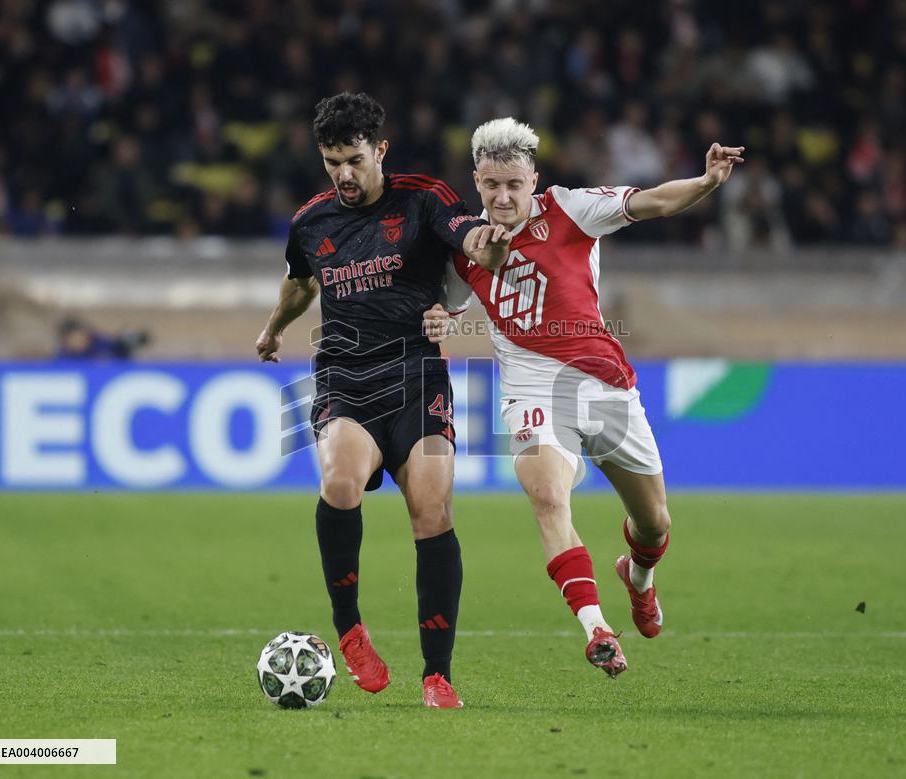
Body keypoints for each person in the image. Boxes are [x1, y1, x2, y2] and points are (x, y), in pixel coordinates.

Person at [434, 118, 744, 677]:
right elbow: (447, 306)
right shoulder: (465, 246)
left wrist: (705, 182)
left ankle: (639, 576)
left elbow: (653, 203)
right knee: (548, 497)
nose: (503, 197)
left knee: (655, 525)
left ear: (534, 180)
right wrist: (436, 316)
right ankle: (596, 628)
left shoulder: (571, 210)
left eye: (514, 185)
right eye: (490, 185)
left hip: (604, 387)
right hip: (531, 388)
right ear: (476, 182)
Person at [255, 93, 510, 707]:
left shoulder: (423, 198)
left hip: (418, 379)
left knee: (432, 511)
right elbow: (300, 283)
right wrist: (274, 329)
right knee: (340, 483)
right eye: (332, 161)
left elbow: (472, 240)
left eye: (354, 160)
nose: (343, 174)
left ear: (380, 152)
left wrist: (492, 241)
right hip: (345, 379)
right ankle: (350, 631)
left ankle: (437, 675)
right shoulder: (311, 221)